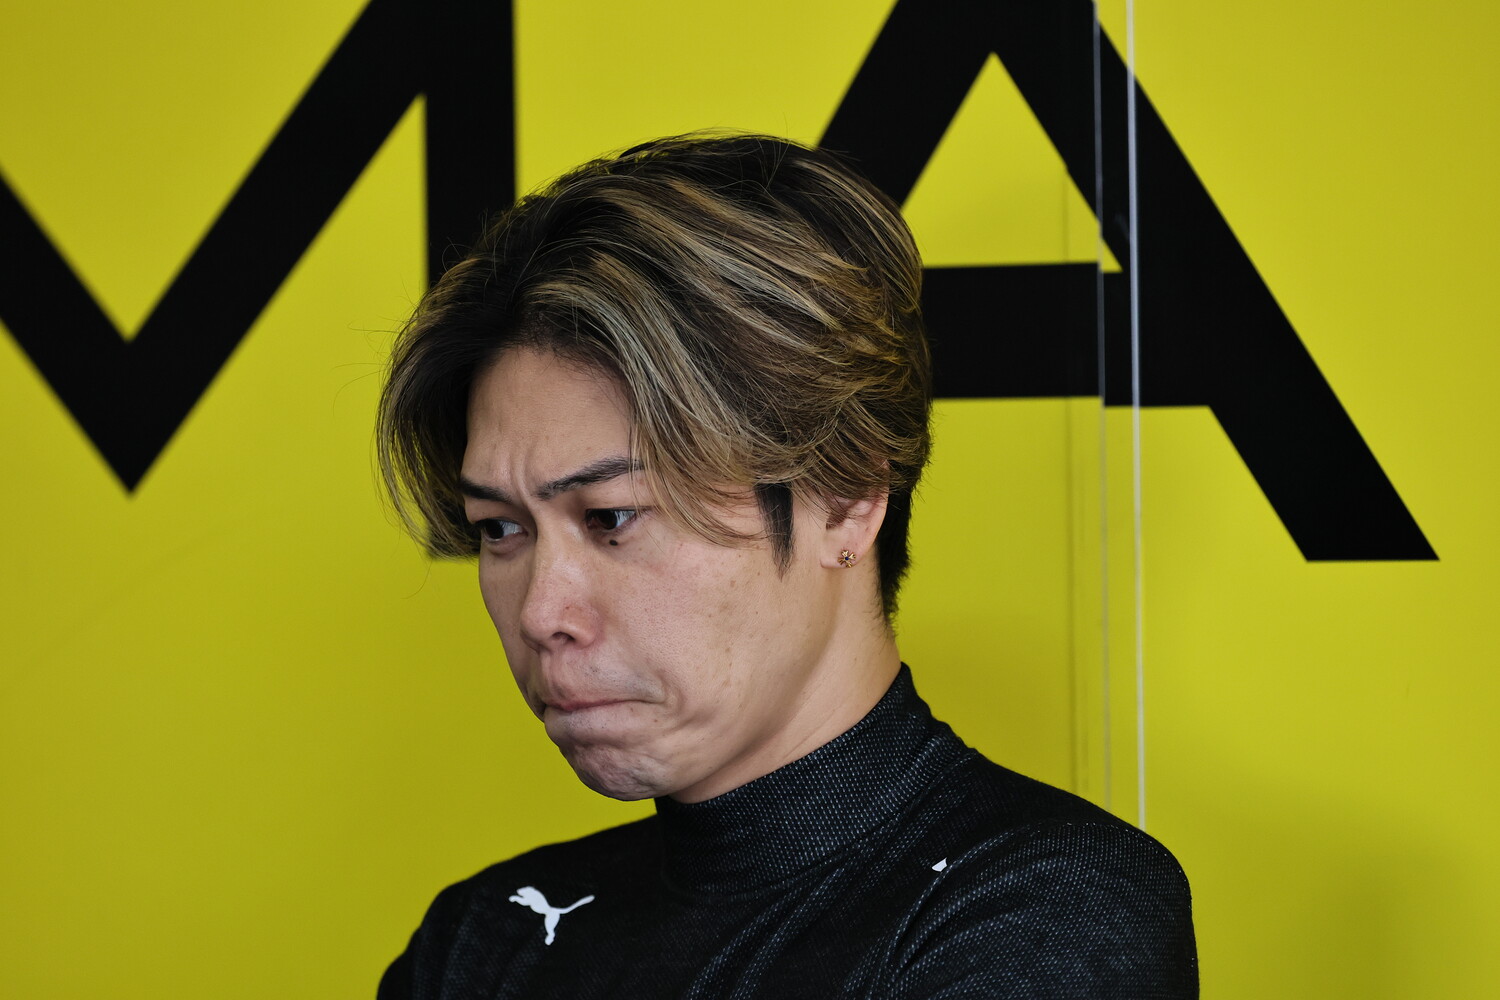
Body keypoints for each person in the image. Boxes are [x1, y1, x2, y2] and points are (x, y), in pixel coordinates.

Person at [374, 132, 1196, 998]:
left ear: (845, 499)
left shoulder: (1043, 908)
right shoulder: (489, 937)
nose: (542, 612)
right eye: (501, 529)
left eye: (611, 517)